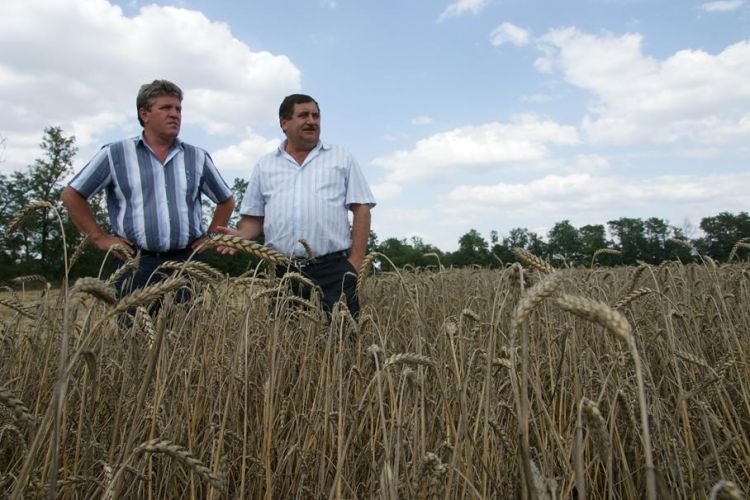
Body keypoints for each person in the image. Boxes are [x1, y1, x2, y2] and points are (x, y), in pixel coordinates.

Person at [61, 79, 235, 300]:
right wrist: (98, 237)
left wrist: (211, 236)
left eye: (178, 109)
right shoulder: (115, 154)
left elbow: (226, 200)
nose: (175, 114)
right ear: (144, 114)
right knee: (134, 331)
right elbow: (71, 194)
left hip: (186, 263)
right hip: (134, 263)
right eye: (166, 108)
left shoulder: (197, 156)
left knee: (189, 331)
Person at [218, 94, 375, 317]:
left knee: (343, 344)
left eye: (316, 116)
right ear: (284, 123)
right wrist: (241, 235)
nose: (312, 121)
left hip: (334, 271)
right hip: (283, 272)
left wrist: (355, 262)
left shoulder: (342, 158)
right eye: (303, 115)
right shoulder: (265, 165)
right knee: (287, 346)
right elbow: (254, 220)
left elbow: (362, 208)